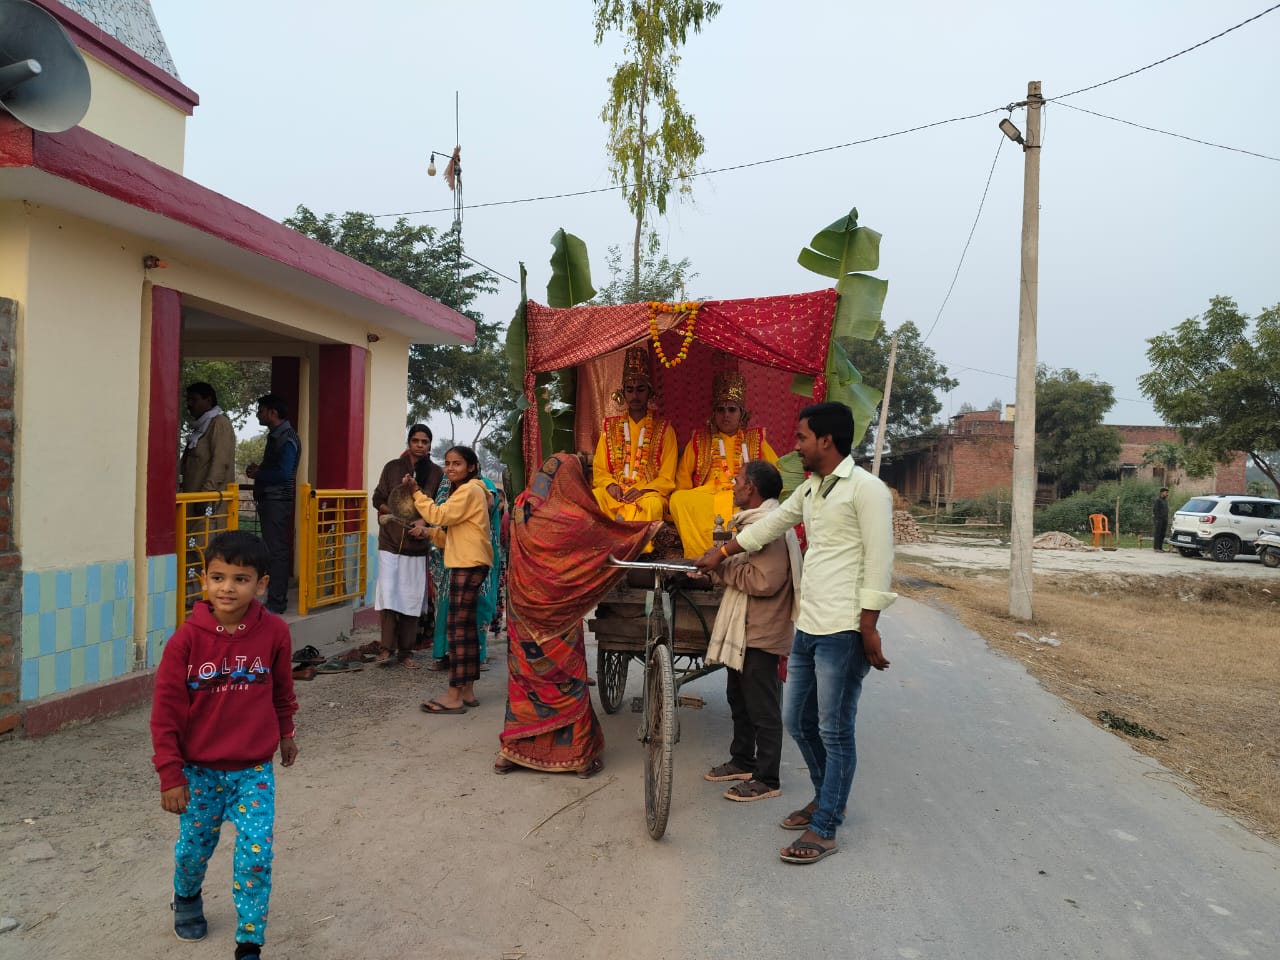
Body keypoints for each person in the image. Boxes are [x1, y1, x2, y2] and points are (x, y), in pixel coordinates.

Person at [694, 401, 897, 865]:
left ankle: (825, 825)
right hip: (807, 624)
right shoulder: (812, 489)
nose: (797, 445)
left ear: (826, 440)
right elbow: (772, 523)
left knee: (834, 729)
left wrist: (869, 627)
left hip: (844, 629)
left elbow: (880, 563)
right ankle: (827, 797)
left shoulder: (867, 490)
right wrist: (721, 552)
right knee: (798, 722)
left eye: (803, 437)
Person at [150, 531, 299, 960]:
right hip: (199, 772)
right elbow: (165, 715)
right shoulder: (186, 642)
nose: (227, 588)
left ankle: (249, 940)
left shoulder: (273, 632)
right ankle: (187, 895)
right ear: (204, 581)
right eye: (218, 577)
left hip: (254, 770)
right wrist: (170, 774)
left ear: (262, 584)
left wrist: (286, 732)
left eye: (240, 578)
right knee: (194, 850)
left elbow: (282, 689)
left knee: (256, 857)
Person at [495, 452, 659, 777]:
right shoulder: (572, 515)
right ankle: (577, 756)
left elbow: (503, 541)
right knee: (564, 679)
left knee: (525, 681)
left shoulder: (517, 509)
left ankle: (513, 751)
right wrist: (643, 531)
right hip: (559, 614)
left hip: (522, 611)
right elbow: (606, 542)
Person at [702, 460, 799, 802]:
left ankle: (767, 778)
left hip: (761, 630)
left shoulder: (769, 528)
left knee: (762, 707)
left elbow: (764, 580)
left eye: (738, 480)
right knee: (739, 699)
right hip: (745, 629)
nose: (733, 484)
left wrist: (723, 568)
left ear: (751, 489)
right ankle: (742, 759)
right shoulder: (751, 524)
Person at [404, 445, 492, 714]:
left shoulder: (469, 490)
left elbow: (438, 515)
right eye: (448, 463)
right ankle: (466, 691)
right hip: (469, 561)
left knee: (457, 629)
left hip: (468, 564)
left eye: (457, 464)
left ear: (472, 467)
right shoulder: (471, 491)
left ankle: (454, 694)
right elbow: (451, 533)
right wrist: (428, 534)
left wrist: (415, 492)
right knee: (464, 629)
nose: (451, 468)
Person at [670, 370, 777, 557]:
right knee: (678, 499)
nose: (725, 415)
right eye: (721, 409)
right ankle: (700, 554)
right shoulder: (699, 440)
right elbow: (683, 479)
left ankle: (725, 554)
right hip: (707, 498)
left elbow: (775, 474)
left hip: (740, 497)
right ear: (714, 413)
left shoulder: (756, 439)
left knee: (748, 505)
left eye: (732, 409)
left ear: (741, 413)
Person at [370, 424, 442, 669]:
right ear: (409, 442)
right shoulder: (392, 468)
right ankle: (386, 648)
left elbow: (439, 506)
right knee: (389, 594)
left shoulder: (435, 473)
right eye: (416, 440)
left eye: (425, 441)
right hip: (390, 541)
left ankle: (406, 652)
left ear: (430, 445)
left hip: (416, 544)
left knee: (411, 598)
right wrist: (396, 512)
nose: (420, 445)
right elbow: (377, 498)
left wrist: (424, 521)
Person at [592, 344, 678, 523]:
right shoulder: (610, 427)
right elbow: (600, 469)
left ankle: (638, 546)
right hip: (616, 494)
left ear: (650, 393)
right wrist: (611, 485)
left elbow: (667, 477)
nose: (635, 396)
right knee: (596, 498)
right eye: (630, 390)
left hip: (647, 494)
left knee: (653, 506)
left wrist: (643, 491)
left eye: (640, 389)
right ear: (623, 393)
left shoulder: (664, 430)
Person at [246, 394, 300, 615]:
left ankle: (277, 602)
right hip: (272, 500)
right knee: (274, 550)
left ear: (272, 413)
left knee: (277, 552)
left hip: (277, 502)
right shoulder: (279, 436)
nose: (258, 414)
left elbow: (284, 474)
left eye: (261, 410)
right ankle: (274, 599)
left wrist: (260, 473)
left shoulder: (286, 438)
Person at [180, 382, 235, 493]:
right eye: (188, 400)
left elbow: (220, 463)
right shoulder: (200, 427)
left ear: (208, 401)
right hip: (191, 498)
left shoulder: (219, 423)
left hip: (208, 502)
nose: (189, 404)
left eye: (194, 399)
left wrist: (206, 495)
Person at [1153, 486, 1170, 552]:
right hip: (1159, 519)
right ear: (1162, 493)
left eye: (1167, 492)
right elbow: (1155, 510)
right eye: (1166, 492)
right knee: (1158, 533)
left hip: (1164, 519)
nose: (1167, 494)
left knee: (1163, 533)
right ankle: (1156, 548)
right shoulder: (1157, 500)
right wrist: (1158, 518)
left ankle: (1160, 547)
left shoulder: (1165, 501)